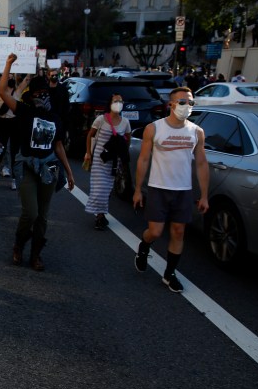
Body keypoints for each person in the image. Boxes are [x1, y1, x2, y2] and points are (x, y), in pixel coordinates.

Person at [0, 54, 75, 271]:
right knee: (30, 213)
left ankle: (36, 255)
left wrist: (69, 172)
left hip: (49, 167)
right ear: (30, 97)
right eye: (37, 94)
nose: (42, 96)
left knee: (43, 216)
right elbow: (3, 92)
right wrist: (8, 65)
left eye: (45, 93)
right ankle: (19, 244)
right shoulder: (24, 111)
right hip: (27, 166)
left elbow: (58, 145)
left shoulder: (55, 118)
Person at [132, 87, 209, 293]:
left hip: (183, 190)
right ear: (171, 105)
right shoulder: (154, 128)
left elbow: (201, 163)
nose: (187, 106)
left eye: (190, 103)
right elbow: (144, 159)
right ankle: (144, 246)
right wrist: (138, 189)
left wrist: (204, 195)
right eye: (182, 102)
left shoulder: (196, 132)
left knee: (178, 231)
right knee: (155, 232)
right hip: (158, 188)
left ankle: (169, 274)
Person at [84, 94, 131, 230]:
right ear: (110, 103)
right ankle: (99, 215)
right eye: (116, 101)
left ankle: (101, 213)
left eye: (121, 101)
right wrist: (88, 153)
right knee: (98, 188)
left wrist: (122, 155)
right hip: (99, 159)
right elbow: (90, 135)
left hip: (113, 161)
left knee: (107, 189)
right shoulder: (101, 119)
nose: (118, 103)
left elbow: (127, 138)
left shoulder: (125, 122)